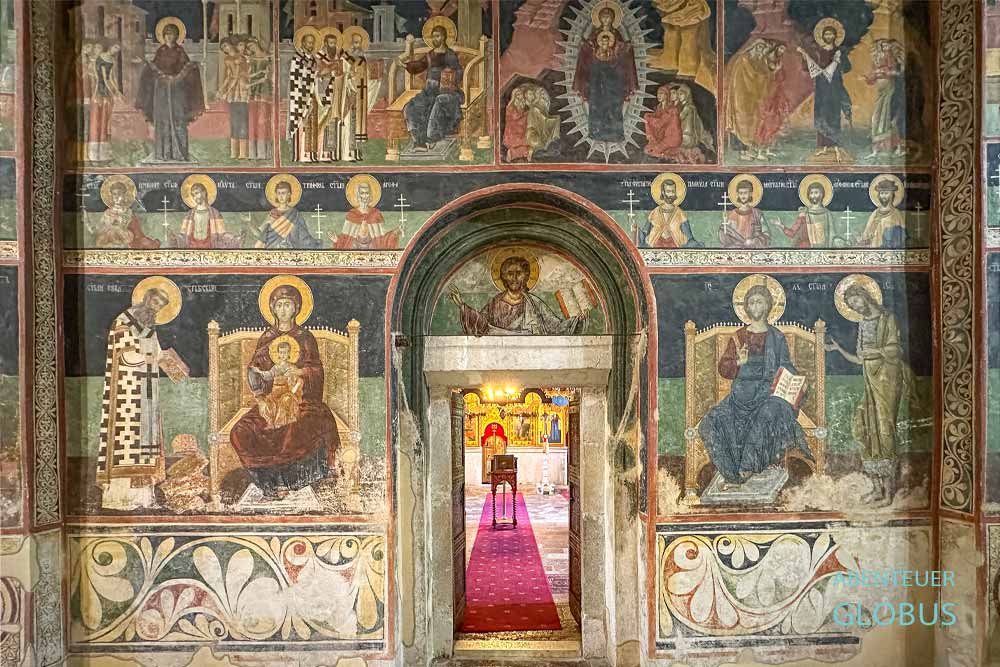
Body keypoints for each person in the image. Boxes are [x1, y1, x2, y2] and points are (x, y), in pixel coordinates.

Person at [230, 285, 339, 500]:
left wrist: (299, 370)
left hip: (303, 399)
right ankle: (268, 482)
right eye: (278, 305)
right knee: (241, 430)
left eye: (287, 304)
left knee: (297, 428)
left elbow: (317, 370)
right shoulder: (267, 338)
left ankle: (292, 481)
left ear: (296, 308)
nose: (283, 309)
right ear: (272, 308)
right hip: (271, 400)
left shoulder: (305, 338)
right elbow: (255, 371)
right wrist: (261, 398)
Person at [699, 284, 812, 490]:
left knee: (768, 414)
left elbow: (785, 365)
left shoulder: (776, 337)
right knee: (710, 422)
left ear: (768, 305)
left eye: (760, 301)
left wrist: (798, 382)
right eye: (751, 302)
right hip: (739, 397)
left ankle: (747, 467)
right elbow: (724, 369)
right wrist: (738, 363)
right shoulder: (738, 336)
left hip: (768, 393)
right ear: (746, 307)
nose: (756, 305)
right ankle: (732, 474)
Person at [825, 281, 915, 507]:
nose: (857, 307)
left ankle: (888, 493)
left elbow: (895, 350)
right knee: (864, 426)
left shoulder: (887, 318)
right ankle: (877, 489)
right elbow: (860, 359)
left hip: (887, 379)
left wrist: (872, 352)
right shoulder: (863, 324)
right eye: (852, 305)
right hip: (870, 381)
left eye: (857, 301)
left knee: (885, 430)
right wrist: (839, 350)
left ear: (866, 297)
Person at [95, 284, 183, 510]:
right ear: (146, 298)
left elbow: (156, 353)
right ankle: (121, 498)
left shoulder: (148, 328)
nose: (155, 309)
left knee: (145, 442)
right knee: (128, 443)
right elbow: (124, 355)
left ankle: (144, 497)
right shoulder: (124, 321)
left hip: (146, 391)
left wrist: (170, 363)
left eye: (160, 306)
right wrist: (154, 357)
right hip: (126, 392)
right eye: (154, 302)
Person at [449, 255, 588, 335]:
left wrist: (577, 321)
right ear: (503, 277)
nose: (514, 278)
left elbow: (554, 326)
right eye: (510, 273)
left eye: (519, 273)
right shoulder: (494, 303)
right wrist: (462, 305)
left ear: (526, 276)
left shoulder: (534, 303)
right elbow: (481, 324)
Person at [135, 19, 205, 162]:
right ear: (163, 36)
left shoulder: (180, 51)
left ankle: (179, 153)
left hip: (177, 90)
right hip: (160, 90)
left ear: (177, 35)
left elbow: (187, 68)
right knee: (162, 119)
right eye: (166, 34)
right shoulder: (161, 51)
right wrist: (147, 66)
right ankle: (163, 153)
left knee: (178, 119)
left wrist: (189, 69)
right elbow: (153, 68)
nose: (169, 36)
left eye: (172, 34)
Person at [573, 8, 637, 143]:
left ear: (613, 18)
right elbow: (589, 50)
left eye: (608, 17)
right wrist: (585, 46)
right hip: (597, 76)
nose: (606, 19)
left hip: (614, 78)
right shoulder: (595, 33)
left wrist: (625, 48)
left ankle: (615, 133)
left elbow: (621, 52)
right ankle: (596, 132)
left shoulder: (616, 34)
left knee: (613, 105)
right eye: (604, 17)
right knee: (596, 104)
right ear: (600, 18)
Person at [399, 24, 464, 151]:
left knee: (439, 102)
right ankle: (419, 141)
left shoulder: (450, 55)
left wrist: (447, 77)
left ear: (444, 37)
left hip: (448, 92)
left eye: (437, 36)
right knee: (411, 107)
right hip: (429, 91)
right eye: (433, 36)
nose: (435, 39)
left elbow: (458, 73)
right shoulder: (430, 55)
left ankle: (431, 138)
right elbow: (419, 65)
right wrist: (405, 65)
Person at [796, 20, 853, 162]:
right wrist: (804, 56)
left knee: (833, 113)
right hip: (821, 85)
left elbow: (847, 68)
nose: (828, 36)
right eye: (826, 34)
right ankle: (823, 147)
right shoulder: (818, 51)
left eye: (831, 34)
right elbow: (809, 67)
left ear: (835, 36)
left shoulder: (839, 51)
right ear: (822, 36)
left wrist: (840, 61)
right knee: (821, 112)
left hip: (834, 85)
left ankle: (835, 147)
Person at [725, 39, 770, 160]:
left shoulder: (757, 60)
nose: (760, 51)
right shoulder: (745, 59)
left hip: (750, 97)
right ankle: (742, 153)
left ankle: (749, 150)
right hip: (741, 95)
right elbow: (752, 76)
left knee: (751, 122)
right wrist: (764, 76)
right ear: (753, 47)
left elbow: (761, 76)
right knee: (741, 122)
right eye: (759, 48)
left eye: (763, 49)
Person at [864, 39, 906, 160]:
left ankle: (898, 148)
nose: (884, 49)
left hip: (890, 93)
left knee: (888, 121)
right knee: (876, 120)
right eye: (882, 46)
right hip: (881, 93)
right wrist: (872, 76)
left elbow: (897, 73)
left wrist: (884, 72)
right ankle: (875, 150)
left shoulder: (894, 59)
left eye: (887, 46)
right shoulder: (877, 60)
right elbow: (872, 79)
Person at [331, 180, 399, 249]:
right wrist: (337, 240)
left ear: (370, 195)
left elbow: (382, 241)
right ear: (358, 195)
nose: (364, 196)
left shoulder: (375, 214)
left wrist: (395, 233)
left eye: (367, 193)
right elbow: (346, 239)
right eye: (362, 193)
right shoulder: (352, 215)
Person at [288, 28, 322, 162]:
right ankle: (300, 154)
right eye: (308, 43)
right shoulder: (297, 58)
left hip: (312, 94)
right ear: (302, 43)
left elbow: (315, 75)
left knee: (313, 124)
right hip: (300, 96)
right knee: (302, 123)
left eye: (312, 43)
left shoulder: (313, 59)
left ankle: (312, 153)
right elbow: (296, 77)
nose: (311, 45)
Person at [254, 339, 304, 430]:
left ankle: (279, 424)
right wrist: (259, 372)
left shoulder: (292, 367)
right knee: (266, 404)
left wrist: (293, 391)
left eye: (285, 352)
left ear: (289, 353)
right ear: (278, 354)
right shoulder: (276, 367)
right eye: (281, 352)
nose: (283, 355)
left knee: (285, 401)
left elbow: (299, 381)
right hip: (274, 394)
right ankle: (270, 423)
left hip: (287, 393)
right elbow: (268, 375)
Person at [256, 179, 321, 249]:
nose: (281, 196)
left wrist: (316, 244)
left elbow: (303, 236)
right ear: (276, 195)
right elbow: (263, 234)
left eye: (283, 193)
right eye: (279, 193)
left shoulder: (295, 214)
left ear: (289, 195)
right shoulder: (272, 213)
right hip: (273, 249)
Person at [96, 179, 160, 249]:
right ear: (111, 196)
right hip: (110, 240)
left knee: (144, 242)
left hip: (127, 239)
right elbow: (101, 229)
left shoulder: (129, 212)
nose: (117, 197)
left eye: (119, 194)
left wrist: (124, 230)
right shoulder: (107, 213)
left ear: (124, 196)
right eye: (114, 194)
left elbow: (137, 232)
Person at [640, 176, 703, 248]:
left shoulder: (680, 213)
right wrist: (636, 230)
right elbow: (644, 233)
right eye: (668, 191)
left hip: (675, 244)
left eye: (673, 191)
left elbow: (689, 236)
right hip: (656, 244)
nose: (671, 195)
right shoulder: (655, 212)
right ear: (663, 192)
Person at [754, 42, 791, 159]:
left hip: (777, 93)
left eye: (783, 50)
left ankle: (768, 149)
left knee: (775, 121)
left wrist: (779, 71)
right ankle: (760, 152)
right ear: (776, 48)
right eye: (780, 48)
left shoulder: (778, 61)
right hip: (768, 93)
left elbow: (782, 76)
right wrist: (776, 71)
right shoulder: (766, 60)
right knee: (766, 122)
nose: (781, 51)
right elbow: (765, 76)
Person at [772, 179, 832, 248]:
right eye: (811, 193)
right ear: (808, 195)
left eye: (816, 192)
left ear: (822, 194)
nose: (813, 195)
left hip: (823, 248)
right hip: (805, 248)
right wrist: (781, 225)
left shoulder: (827, 214)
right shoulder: (804, 214)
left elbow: (832, 234)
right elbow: (792, 233)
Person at [218, 39, 250, 160]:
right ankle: (233, 152)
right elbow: (228, 76)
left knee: (242, 121)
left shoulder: (241, 56)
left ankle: (243, 153)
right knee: (234, 121)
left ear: (231, 44)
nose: (226, 49)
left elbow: (241, 73)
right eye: (223, 48)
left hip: (241, 89)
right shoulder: (227, 60)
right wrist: (221, 89)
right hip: (232, 91)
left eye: (226, 45)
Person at [89, 44, 121, 163]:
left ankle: (104, 154)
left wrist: (117, 90)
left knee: (105, 121)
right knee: (97, 120)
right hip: (100, 90)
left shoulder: (112, 60)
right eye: (115, 47)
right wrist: (114, 92)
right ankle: (94, 154)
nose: (116, 51)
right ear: (110, 46)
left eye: (118, 50)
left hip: (107, 92)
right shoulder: (101, 57)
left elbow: (112, 77)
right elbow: (103, 78)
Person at [720, 179, 770, 248]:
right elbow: (727, 236)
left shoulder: (757, 214)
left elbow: (766, 235)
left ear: (750, 193)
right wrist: (724, 224)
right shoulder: (733, 214)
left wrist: (754, 241)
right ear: (737, 194)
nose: (743, 196)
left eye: (745, 193)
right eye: (741, 193)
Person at [245, 38, 273, 160]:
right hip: (253, 91)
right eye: (249, 47)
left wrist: (261, 77)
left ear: (257, 43)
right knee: (252, 120)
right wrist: (256, 78)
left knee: (263, 120)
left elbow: (269, 76)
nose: (251, 48)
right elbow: (248, 75)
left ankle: (264, 153)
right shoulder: (251, 60)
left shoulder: (268, 57)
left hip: (264, 91)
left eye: (252, 45)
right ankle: (252, 153)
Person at [177, 181, 226, 249]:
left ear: (204, 193)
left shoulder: (215, 214)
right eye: (193, 195)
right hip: (192, 247)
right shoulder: (189, 215)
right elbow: (183, 236)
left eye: (197, 193)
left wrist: (236, 238)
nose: (195, 197)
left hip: (209, 247)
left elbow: (222, 236)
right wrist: (174, 237)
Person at [860, 178, 906, 248]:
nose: (883, 196)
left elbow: (902, 235)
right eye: (882, 193)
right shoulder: (875, 213)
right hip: (874, 250)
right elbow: (866, 233)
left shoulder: (896, 214)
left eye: (886, 193)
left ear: (892, 195)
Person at [503, 85, 531, 161]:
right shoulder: (511, 106)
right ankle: (511, 155)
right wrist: (526, 114)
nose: (520, 96)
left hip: (520, 127)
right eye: (518, 94)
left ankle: (526, 155)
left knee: (525, 145)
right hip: (513, 129)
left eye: (521, 94)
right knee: (516, 144)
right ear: (514, 96)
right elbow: (515, 117)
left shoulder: (522, 104)